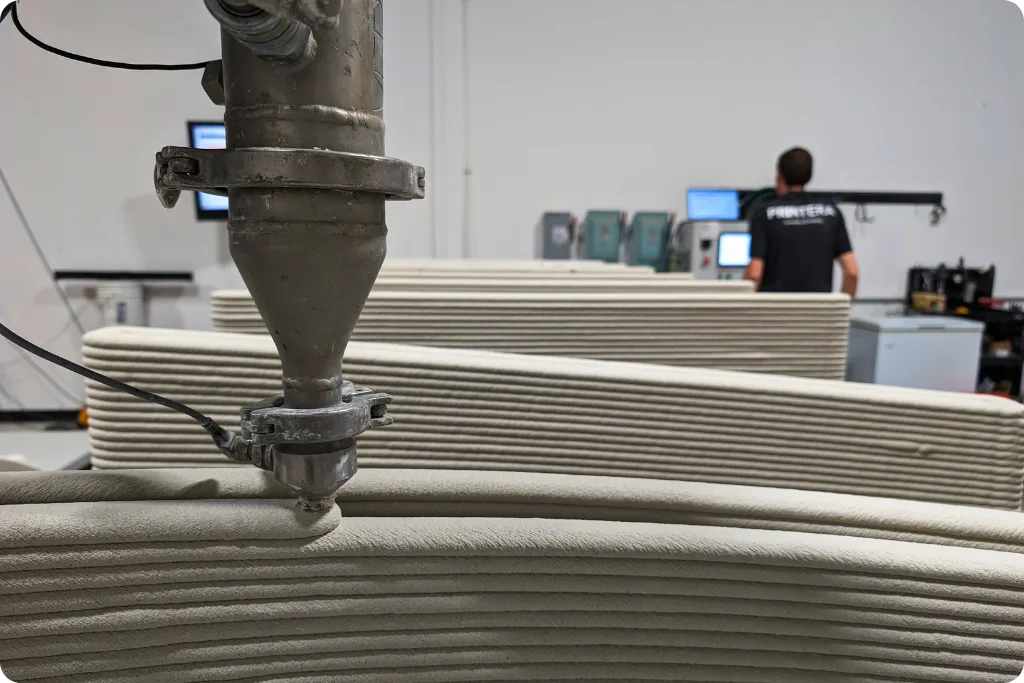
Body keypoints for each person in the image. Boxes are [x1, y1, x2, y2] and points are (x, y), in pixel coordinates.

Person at [743, 147, 859, 298]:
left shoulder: (764, 213)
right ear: (809, 176)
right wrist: (842, 307)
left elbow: (754, 274)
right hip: (818, 310)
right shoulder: (831, 213)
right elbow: (852, 272)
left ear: (779, 176)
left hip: (774, 310)